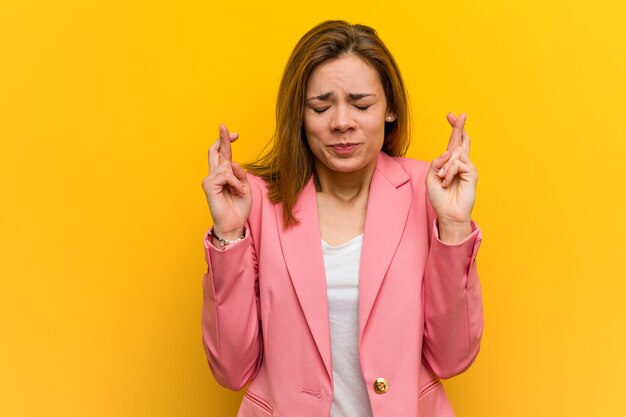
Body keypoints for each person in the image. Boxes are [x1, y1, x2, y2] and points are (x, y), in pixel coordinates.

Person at [201, 20, 483, 417]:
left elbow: (452, 358)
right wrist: (228, 233)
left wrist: (453, 227)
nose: (341, 122)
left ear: (391, 110)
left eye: (362, 105)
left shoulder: (430, 190)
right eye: (320, 107)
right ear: (299, 115)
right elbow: (231, 370)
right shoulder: (256, 201)